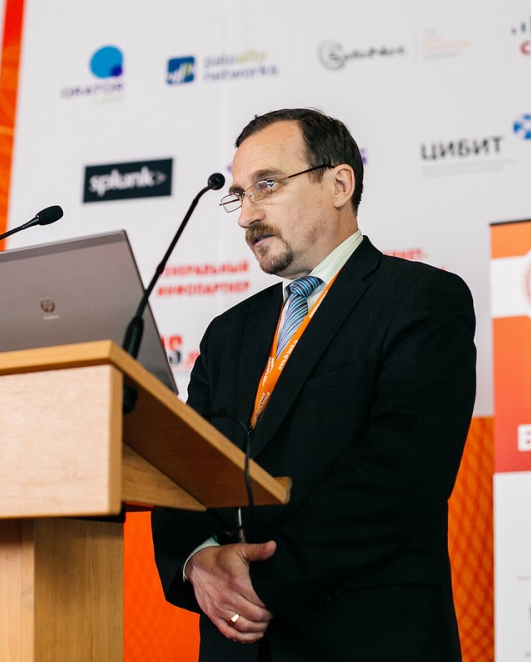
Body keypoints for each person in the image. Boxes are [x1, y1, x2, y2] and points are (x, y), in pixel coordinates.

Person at [151, 108, 476, 661]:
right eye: (239, 195)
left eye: (267, 185)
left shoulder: (420, 300)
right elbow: (182, 467)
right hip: (238, 644)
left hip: (365, 638)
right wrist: (198, 558)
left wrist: (262, 580)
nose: (246, 215)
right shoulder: (228, 333)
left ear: (339, 184)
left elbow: (401, 474)